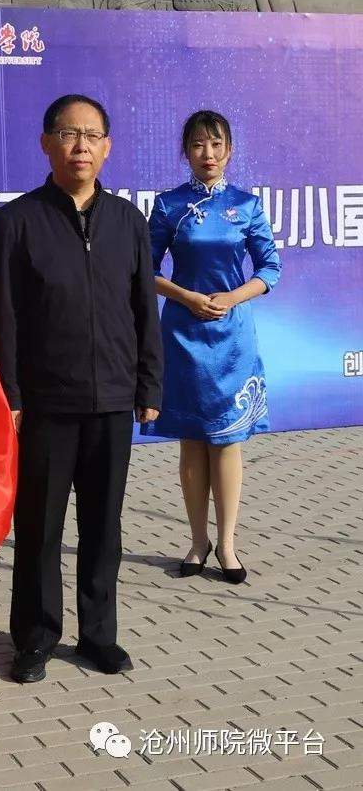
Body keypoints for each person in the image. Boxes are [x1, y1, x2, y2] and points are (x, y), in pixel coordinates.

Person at [0, 94, 163, 684]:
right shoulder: (17, 221)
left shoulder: (129, 221)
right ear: (46, 144)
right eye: (68, 134)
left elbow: (144, 309)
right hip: (45, 405)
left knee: (104, 528)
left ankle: (98, 637)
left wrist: (149, 384)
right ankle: (35, 638)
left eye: (91, 135)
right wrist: (8, 395)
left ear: (107, 147)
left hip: (112, 400)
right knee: (39, 529)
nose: (80, 146)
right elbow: (1, 316)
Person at [141, 110, 281, 584]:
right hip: (183, 333)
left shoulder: (247, 205)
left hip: (232, 336)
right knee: (192, 441)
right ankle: (197, 541)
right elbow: (144, 270)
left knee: (227, 441)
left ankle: (227, 544)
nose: (208, 154)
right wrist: (186, 297)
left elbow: (270, 268)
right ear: (186, 151)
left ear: (230, 150)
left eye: (217, 144)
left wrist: (232, 297)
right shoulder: (168, 206)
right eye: (199, 144)